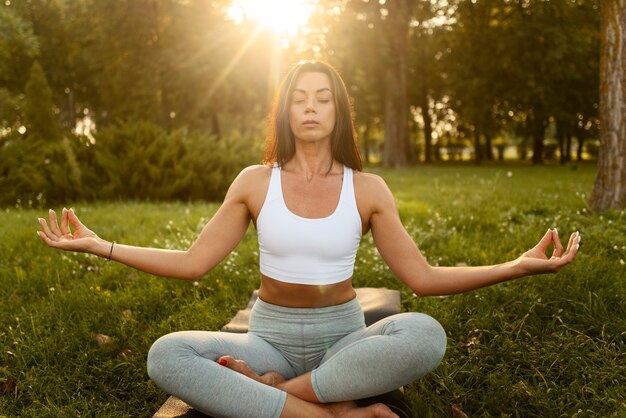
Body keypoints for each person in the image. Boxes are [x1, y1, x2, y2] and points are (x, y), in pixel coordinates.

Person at [37, 60, 580, 418]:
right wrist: (100, 245)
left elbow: (423, 279)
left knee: (425, 334)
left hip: (340, 341)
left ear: (339, 110)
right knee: (166, 355)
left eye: (324, 98)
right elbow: (193, 262)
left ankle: (275, 396)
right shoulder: (254, 181)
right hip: (265, 338)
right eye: (300, 98)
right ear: (286, 111)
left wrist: (516, 264)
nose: (313, 107)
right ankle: (336, 412)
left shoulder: (368, 189)